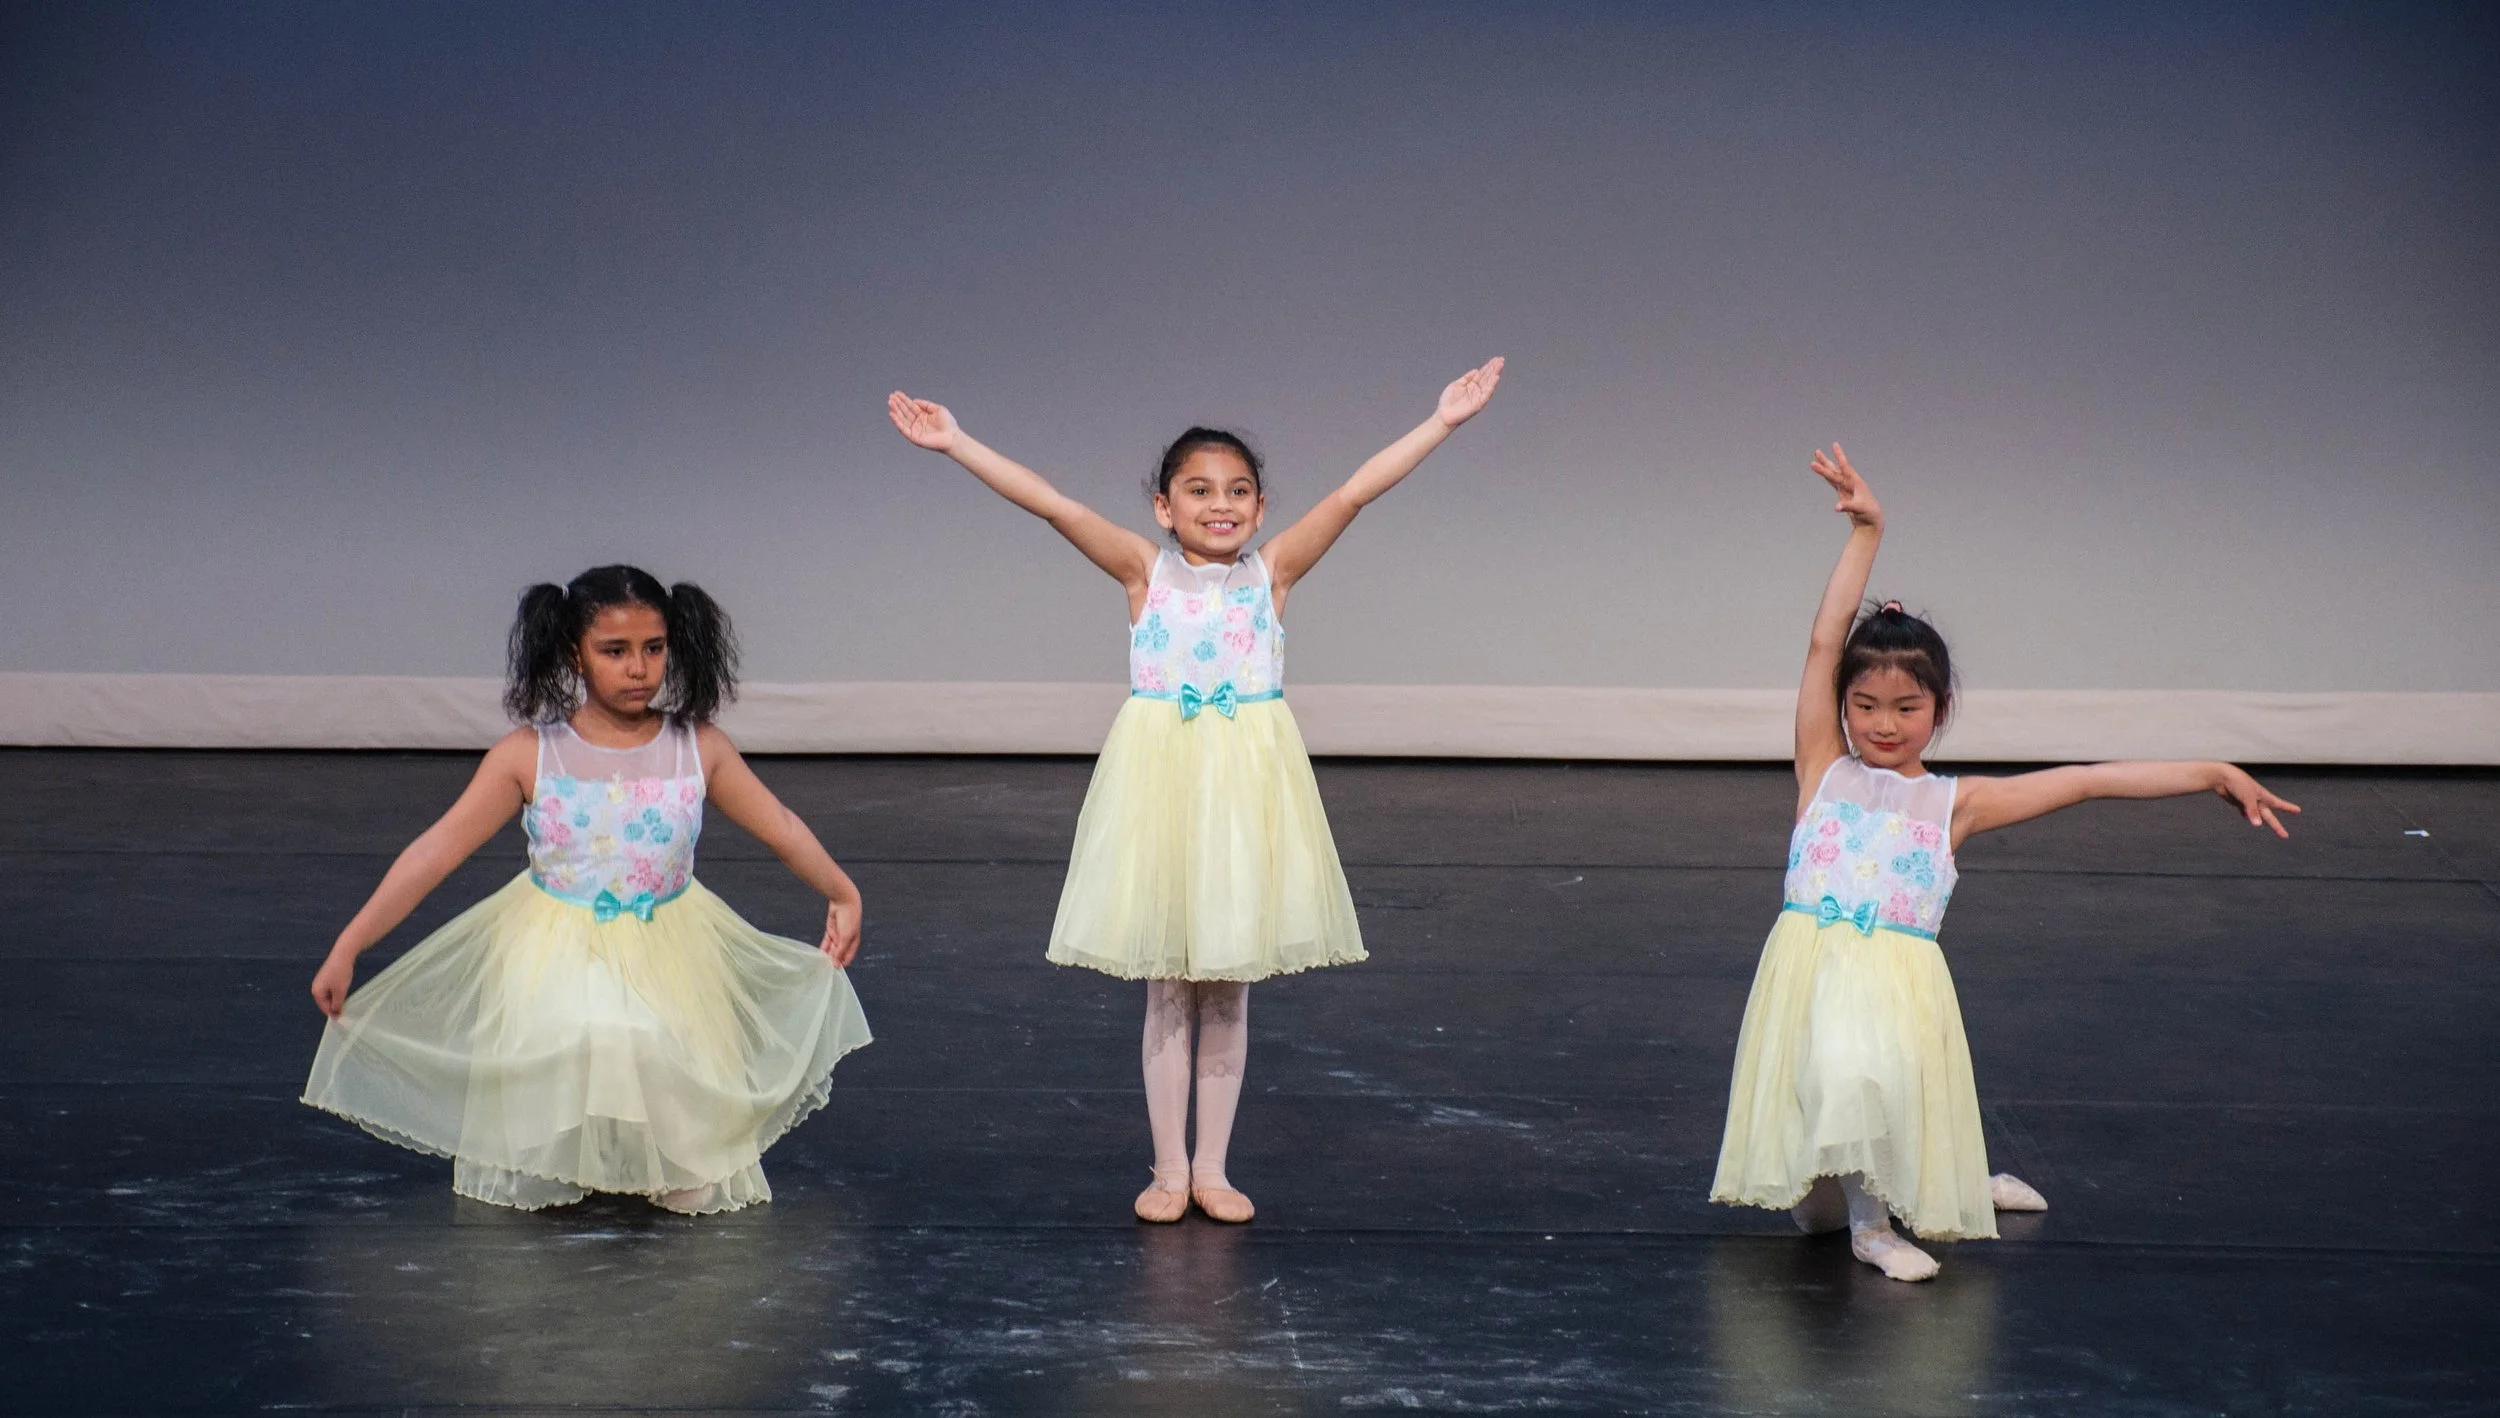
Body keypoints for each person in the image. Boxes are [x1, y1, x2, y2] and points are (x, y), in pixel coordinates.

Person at [885, 359, 1505, 1222]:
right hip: (1162, 792)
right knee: (1169, 984)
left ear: (1260, 507)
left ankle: (1213, 1167)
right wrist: (956, 443)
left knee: (1230, 984)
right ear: (1162, 506)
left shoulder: (1272, 574)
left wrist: (1439, 423)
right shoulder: (1145, 573)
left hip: (1246, 794)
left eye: (1240, 490)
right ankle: (1167, 1169)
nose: (1222, 504)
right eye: (1200, 489)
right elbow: (1052, 503)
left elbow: (1356, 493)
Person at [1711, 446, 2299, 1280]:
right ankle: (1888, 1205)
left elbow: (2087, 783)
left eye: (1907, 708)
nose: (1884, 724)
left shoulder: (1957, 803)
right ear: (1843, 706)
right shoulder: (1822, 767)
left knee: (1875, 1087)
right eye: (1866, 705)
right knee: (1815, 1179)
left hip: (1897, 980)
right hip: (1810, 971)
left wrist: (2210, 772)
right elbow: (1820, 643)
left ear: (1939, 710)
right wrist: (1868, 532)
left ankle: (1888, 1220)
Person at [302, 566, 871, 1213]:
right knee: (589, 1028)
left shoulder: (698, 748)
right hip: (555, 944)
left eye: (653, 649)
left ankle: (665, 1159)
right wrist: (349, 945)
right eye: (615, 651)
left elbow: (783, 828)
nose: (639, 669)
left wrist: (841, 889)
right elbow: (435, 853)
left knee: (657, 1047)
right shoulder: (529, 754)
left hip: (672, 944)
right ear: (574, 653)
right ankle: (571, 1153)